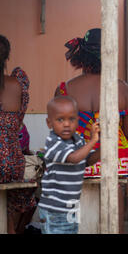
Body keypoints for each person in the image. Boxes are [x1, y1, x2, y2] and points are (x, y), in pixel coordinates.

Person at [56, 28, 128, 232]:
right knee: (115, 184)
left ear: (81, 55)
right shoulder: (122, 88)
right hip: (117, 160)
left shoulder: (66, 88)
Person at [39, 96, 100, 234]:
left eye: (71, 119)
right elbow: (74, 158)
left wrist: (103, 146)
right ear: (49, 123)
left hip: (71, 207)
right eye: (60, 119)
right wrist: (92, 141)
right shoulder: (53, 142)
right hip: (55, 210)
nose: (67, 124)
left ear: (78, 121)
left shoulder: (77, 140)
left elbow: (88, 160)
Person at [0, 35, 37, 234]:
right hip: (13, 164)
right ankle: (11, 227)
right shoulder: (18, 84)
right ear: (6, 58)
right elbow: (18, 123)